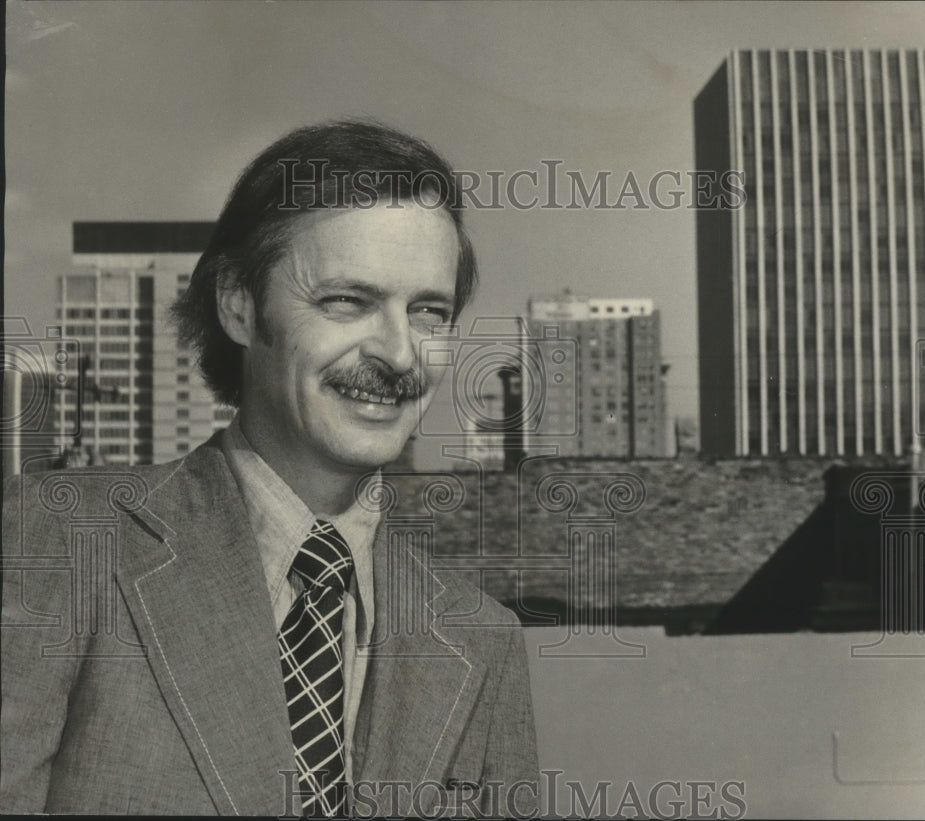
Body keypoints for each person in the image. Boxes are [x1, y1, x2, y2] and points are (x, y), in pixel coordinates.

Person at [1, 120, 538, 817]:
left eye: (428, 311)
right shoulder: (63, 542)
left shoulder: (480, 638)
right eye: (349, 301)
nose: (401, 354)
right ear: (239, 305)